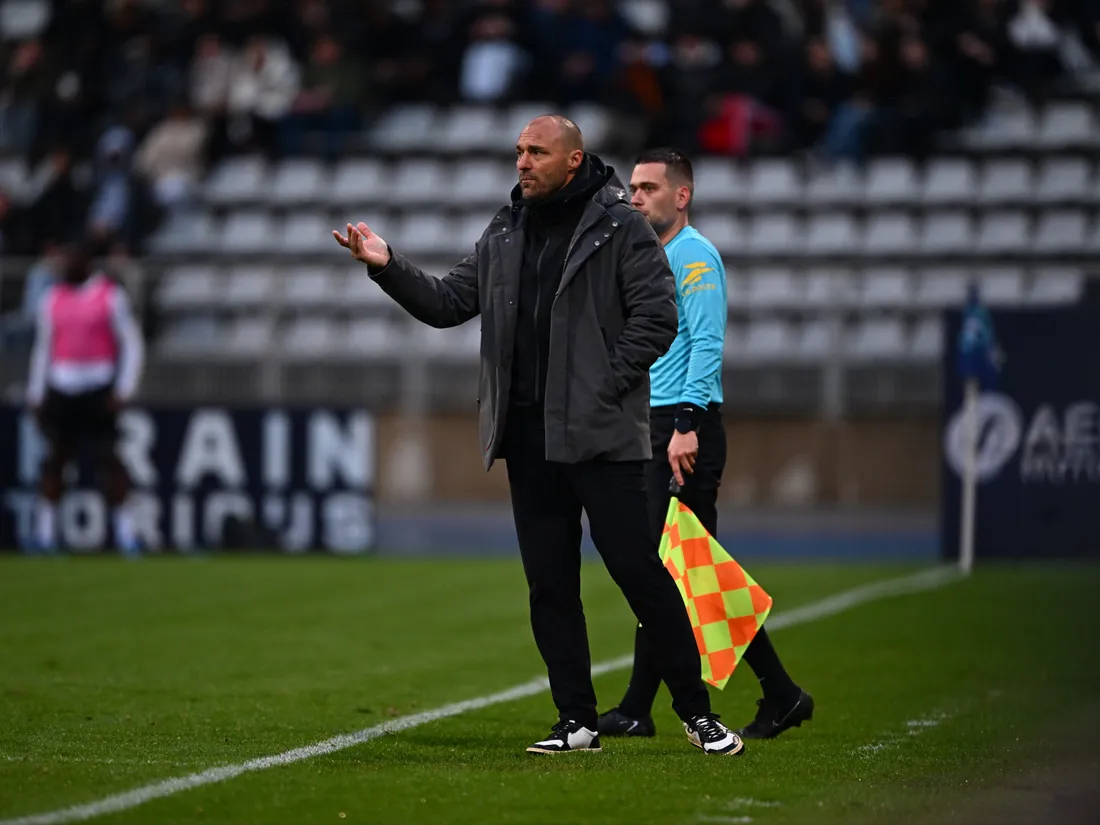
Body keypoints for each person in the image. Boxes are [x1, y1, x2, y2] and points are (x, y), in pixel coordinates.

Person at [334, 116, 744, 757]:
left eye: (537, 152)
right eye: (519, 151)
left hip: (601, 435)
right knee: (550, 585)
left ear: (574, 160)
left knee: (639, 574)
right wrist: (387, 266)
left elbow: (658, 316)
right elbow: (448, 303)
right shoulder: (506, 228)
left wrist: (603, 384)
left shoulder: (620, 226)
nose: (522, 162)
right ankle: (576, 721)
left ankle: (697, 713)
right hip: (529, 439)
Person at [597, 148, 814, 741]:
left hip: (681, 427)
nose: (635, 197)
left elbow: (707, 344)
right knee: (680, 569)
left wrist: (686, 423)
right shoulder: (653, 257)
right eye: (633, 188)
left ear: (682, 195)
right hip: (657, 424)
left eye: (648, 188)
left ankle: (774, 692)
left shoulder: (694, 258)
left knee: (682, 569)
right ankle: (654, 706)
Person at [25, 244, 145, 556]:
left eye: (71, 259)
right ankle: (45, 534)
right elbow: (43, 348)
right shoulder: (52, 298)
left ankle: (127, 534)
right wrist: (36, 393)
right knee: (56, 461)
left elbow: (131, 343)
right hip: (62, 387)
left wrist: (124, 389)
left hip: (97, 388)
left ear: (86, 262)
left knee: (109, 460)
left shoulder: (110, 296)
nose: (65, 265)